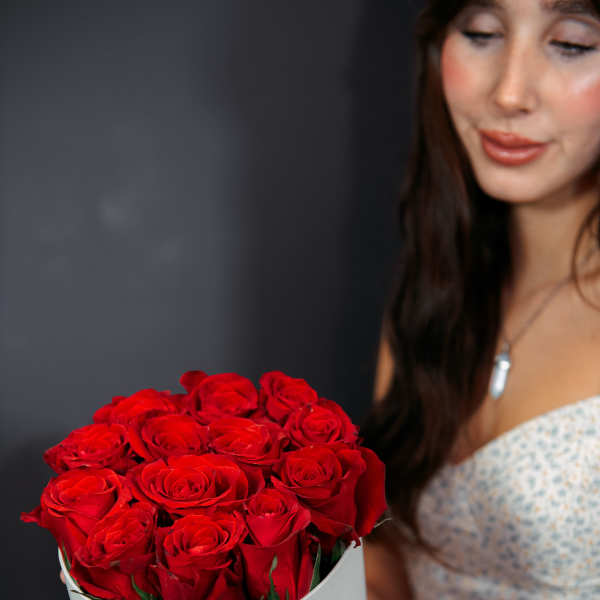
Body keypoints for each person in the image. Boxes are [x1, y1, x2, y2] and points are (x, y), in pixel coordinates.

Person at [361, 0, 600, 598]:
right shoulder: (437, 286)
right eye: (482, 33)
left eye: (571, 44)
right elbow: (391, 548)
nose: (510, 93)